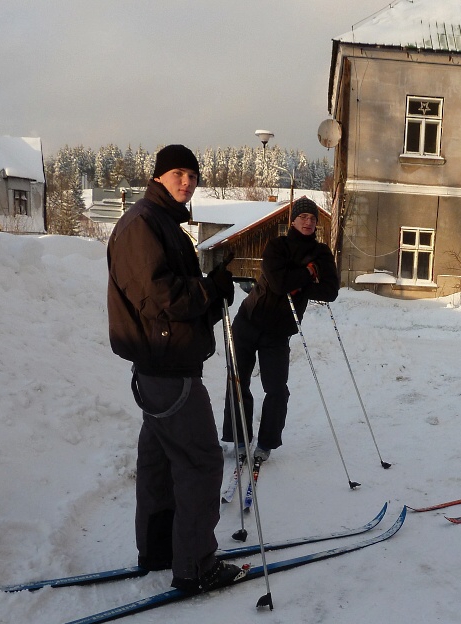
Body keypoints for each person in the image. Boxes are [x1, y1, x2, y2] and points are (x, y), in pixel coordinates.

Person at [106, 144, 245, 594]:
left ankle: (161, 549)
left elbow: (173, 296)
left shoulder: (160, 222)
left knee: (162, 463)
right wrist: (208, 291)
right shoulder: (143, 224)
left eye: (192, 175)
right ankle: (195, 565)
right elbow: (159, 297)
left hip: (161, 366)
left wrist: (211, 290)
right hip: (167, 369)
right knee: (201, 462)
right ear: (159, 177)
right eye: (178, 173)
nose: (186, 182)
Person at [221, 196, 340, 460]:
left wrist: (296, 284)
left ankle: (266, 443)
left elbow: (331, 291)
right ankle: (240, 439)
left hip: (279, 330)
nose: (308, 222)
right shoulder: (277, 246)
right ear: (293, 221)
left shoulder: (321, 253)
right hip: (249, 321)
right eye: (303, 217)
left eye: (312, 218)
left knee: (276, 388)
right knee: (238, 381)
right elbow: (276, 283)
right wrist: (308, 274)